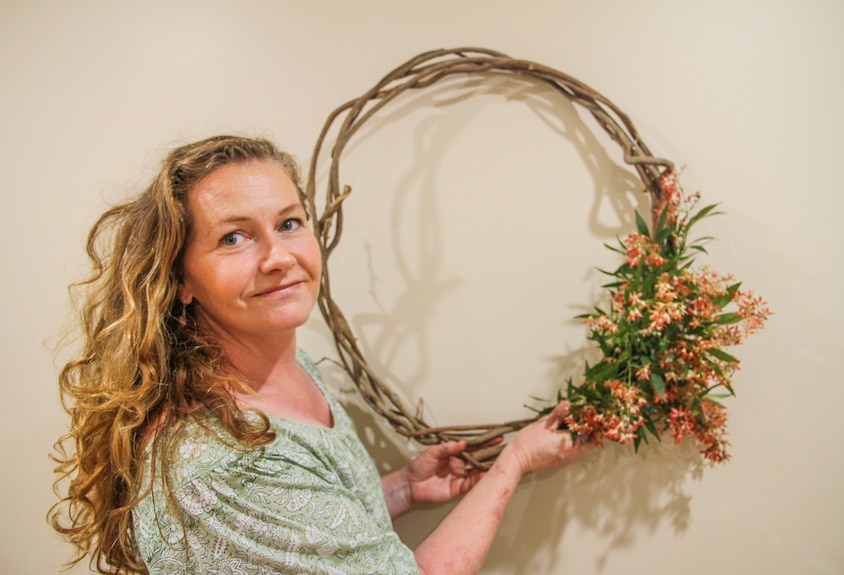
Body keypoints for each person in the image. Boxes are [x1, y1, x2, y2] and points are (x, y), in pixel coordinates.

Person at [50, 135, 593, 575]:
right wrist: (514, 463)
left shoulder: (280, 362)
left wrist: (402, 488)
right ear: (180, 279)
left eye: (289, 223)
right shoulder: (223, 461)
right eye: (234, 238)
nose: (278, 257)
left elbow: (306, 534)